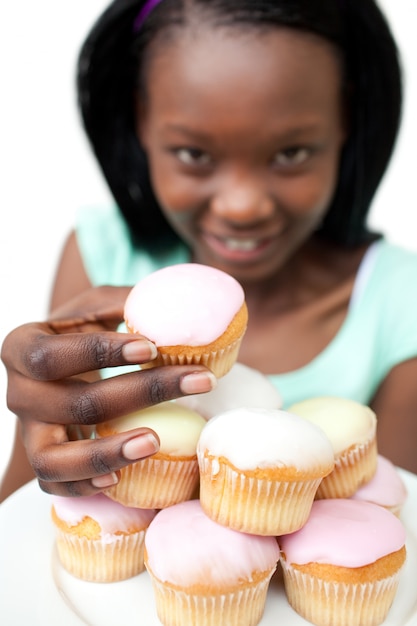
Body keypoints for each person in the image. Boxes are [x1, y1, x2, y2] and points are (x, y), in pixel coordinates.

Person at [1, 0, 417, 503]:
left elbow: (397, 530)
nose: (242, 206)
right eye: (194, 154)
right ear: (139, 121)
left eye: (291, 153)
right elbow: (22, 518)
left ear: (347, 122)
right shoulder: (101, 256)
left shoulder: (400, 306)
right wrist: (41, 424)